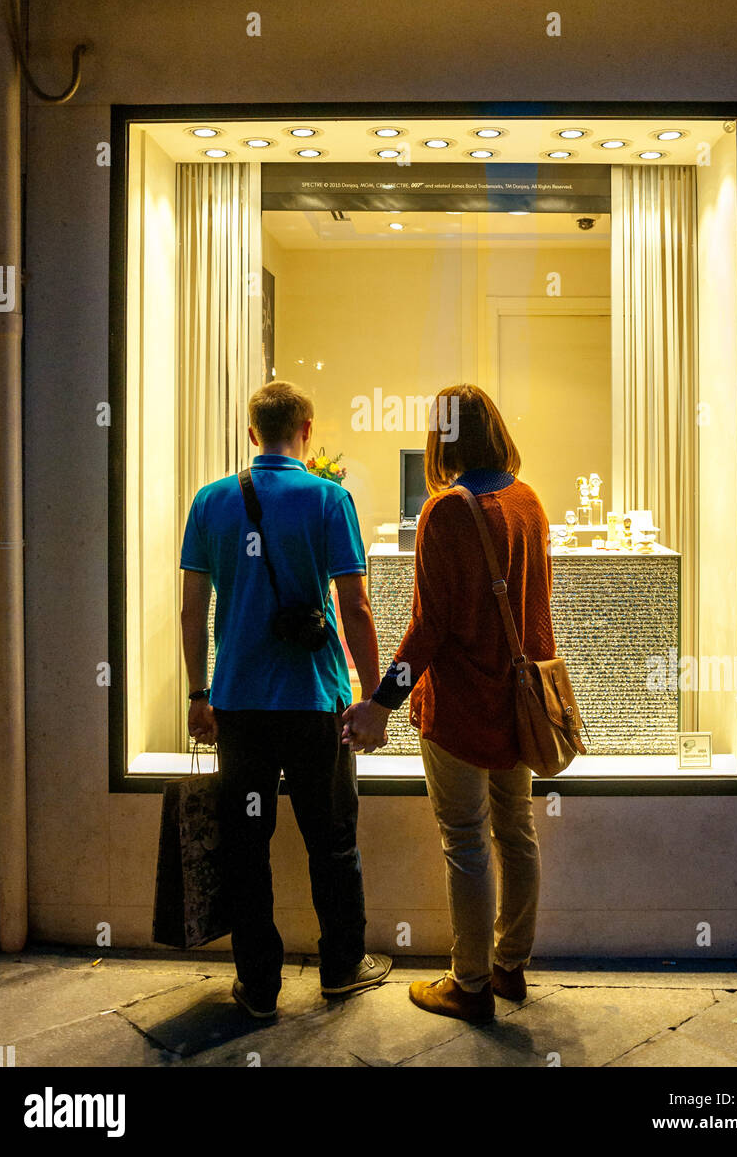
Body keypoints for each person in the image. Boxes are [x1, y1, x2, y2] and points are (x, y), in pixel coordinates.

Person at [343, 384, 556, 1023]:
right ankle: (509, 966)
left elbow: (428, 627)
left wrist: (381, 700)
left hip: (462, 706)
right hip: (519, 704)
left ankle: (469, 985)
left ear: (443, 436)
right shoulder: (528, 501)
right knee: (516, 834)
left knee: (465, 841)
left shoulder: (447, 510)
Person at [180, 380, 392, 1020]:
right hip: (314, 702)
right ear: (306, 429)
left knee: (246, 845)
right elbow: (354, 605)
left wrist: (198, 693)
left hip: (238, 704)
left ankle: (259, 986)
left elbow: (192, 610)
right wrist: (373, 695)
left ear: (252, 435)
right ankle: (340, 967)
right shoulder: (329, 498)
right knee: (331, 839)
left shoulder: (211, 501)